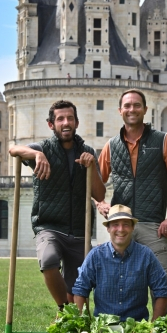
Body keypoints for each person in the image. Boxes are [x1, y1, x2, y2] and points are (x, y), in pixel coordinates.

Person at [97, 89, 167, 314]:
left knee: (164, 292)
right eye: (127, 106)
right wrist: (99, 202)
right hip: (121, 227)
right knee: (122, 289)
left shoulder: (162, 141)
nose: (132, 109)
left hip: (152, 226)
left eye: (137, 105)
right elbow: (94, 184)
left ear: (145, 110)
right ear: (120, 111)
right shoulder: (111, 146)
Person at [9, 100, 106, 311]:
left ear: (77, 122)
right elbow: (13, 149)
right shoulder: (42, 148)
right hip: (49, 226)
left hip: (80, 230)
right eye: (60, 119)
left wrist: (91, 165)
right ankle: (64, 310)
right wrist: (36, 155)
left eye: (70, 118)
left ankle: (73, 319)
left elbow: (99, 194)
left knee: (79, 290)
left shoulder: (87, 152)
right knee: (48, 259)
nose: (66, 122)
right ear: (51, 124)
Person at [73, 205, 167, 320]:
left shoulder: (146, 255)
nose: (120, 229)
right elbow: (80, 290)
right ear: (108, 228)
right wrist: (85, 325)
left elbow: (162, 290)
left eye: (126, 224)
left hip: (136, 327)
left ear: (132, 227)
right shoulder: (95, 255)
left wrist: (154, 327)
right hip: (103, 329)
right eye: (115, 224)